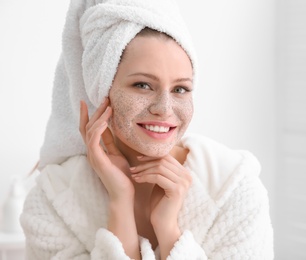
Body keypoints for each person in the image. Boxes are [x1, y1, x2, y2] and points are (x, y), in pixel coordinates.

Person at [20, 0, 274, 259]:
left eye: (180, 89)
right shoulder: (53, 199)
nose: (164, 109)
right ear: (101, 89)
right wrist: (120, 203)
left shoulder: (233, 188)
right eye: (142, 85)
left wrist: (169, 231)